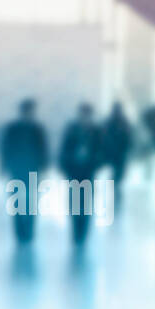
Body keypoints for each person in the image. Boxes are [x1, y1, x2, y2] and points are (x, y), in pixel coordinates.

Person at [0, 99, 49, 246]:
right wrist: (4, 166)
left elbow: (43, 150)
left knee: (30, 203)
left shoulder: (37, 129)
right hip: (19, 170)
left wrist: (43, 167)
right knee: (18, 202)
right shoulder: (14, 129)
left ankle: (27, 232)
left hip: (30, 170)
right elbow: (6, 148)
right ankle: (21, 232)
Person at [59, 103, 104, 246]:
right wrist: (68, 166)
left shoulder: (96, 132)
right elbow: (64, 150)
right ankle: (76, 231)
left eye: (87, 115)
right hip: (74, 172)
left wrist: (93, 162)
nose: (85, 118)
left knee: (86, 204)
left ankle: (82, 233)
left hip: (88, 172)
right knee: (74, 203)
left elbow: (102, 151)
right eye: (83, 115)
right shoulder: (72, 130)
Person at [101, 102, 133, 214]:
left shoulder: (115, 122)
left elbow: (128, 138)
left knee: (117, 178)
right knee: (117, 177)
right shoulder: (121, 123)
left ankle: (116, 192)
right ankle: (116, 192)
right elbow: (129, 138)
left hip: (116, 154)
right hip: (117, 154)